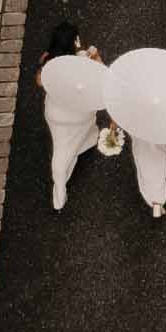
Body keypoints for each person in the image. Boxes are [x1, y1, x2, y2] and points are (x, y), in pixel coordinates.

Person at [35, 21, 104, 213]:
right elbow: (102, 76)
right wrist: (96, 56)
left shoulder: (49, 61)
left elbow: (40, 81)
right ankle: (65, 167)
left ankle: (60, 183)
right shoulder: (83, 59)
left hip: (56, 114)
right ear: (75, 41)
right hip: (79, 113)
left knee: (61, 144)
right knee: (77, 136)